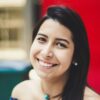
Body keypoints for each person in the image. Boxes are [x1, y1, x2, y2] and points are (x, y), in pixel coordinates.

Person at [10, 5, 100, 100]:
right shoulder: (21, 92)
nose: (46, 53)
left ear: (76, 55)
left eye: (60, 45)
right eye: (41, 39)